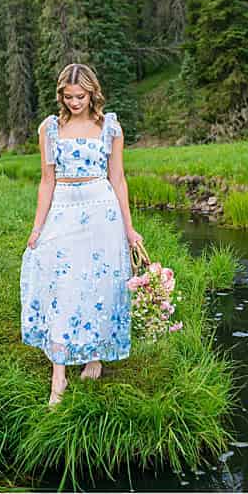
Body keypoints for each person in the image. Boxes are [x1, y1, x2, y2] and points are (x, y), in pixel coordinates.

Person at [20, 64, 146, 408]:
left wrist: (129, 228)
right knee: (62, 284)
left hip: (101, 209)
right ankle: (58, 374)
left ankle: (94, 356)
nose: (75, 102)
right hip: (64, 205)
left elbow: (118, 179)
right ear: (61, 96)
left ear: (93, 94)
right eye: (68, 96)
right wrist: (37, 226)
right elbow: (46, 180)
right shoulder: (50, 128)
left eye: (81, 96)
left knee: (100, 284)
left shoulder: (110, 128)